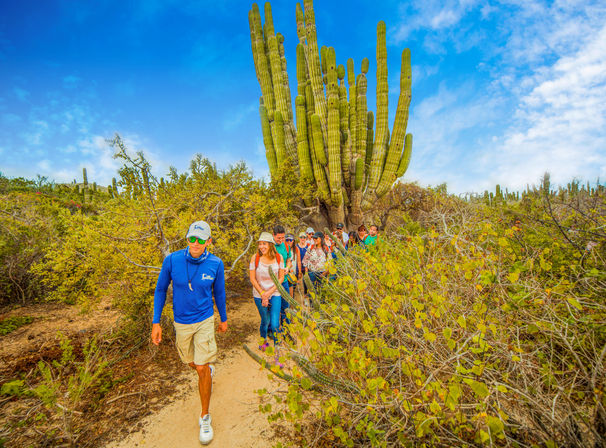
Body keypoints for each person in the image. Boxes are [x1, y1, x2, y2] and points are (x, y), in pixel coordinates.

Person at [152, 220, 227, 445]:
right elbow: (160, 289)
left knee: (202, 366)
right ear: (187, 239)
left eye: (200, 239)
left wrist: (223, 319)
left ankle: (205, 416)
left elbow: (220, 293)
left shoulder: (216, 263)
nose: (195, 243)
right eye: (191, 238)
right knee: (191, 363)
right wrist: (156, 322)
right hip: (181, 323)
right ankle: (206, 370)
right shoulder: (172, 260)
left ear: (208, 241)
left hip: (204, 319)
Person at [249, 232, 284, 354]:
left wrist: (269, 293)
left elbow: (281, 278)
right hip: (259, 294)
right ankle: (263, 341)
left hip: (275, 293)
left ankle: (278, 345)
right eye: (260, 244)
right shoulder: (255, 258)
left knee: (275, 322)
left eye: (264, 244)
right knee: (265, 320)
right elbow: (252, 278)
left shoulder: (279, 258)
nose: (261, 246)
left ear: (270, 245)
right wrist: (263, 293)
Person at [273, 225, 292, 325]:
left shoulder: (286, 246)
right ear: (273, 236)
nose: (281, 240)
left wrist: (287, 268)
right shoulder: (270, 246)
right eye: (278, 238)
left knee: (286, 306)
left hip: (284, 280)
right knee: (273, 307)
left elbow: (289, 260)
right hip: (272, 282)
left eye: (282, 237)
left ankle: (286, 327)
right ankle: (272, 329)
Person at [302, 231, 329, 297]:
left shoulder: (326, 248)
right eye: (314, 238)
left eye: (316, 238)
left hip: (322, 273)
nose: (314, 240)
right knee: (312, 291)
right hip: (312, 273)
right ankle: (312, 306)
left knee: (322, 291)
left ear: (321, 239)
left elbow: (330, 262)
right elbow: (305, 260)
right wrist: (306, 274)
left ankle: (322, 305)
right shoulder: (310, 248)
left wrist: (325, 273)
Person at [284, 233, 301, 297]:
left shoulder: (296, 249)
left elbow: (299, 261)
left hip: (293, 273)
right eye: (287, 240)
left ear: (293, 241)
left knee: (292, 290)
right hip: (285, 272)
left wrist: (299, 271)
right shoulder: (283, 248)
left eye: (290, 240)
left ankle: (291, 305)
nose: (289, 242)